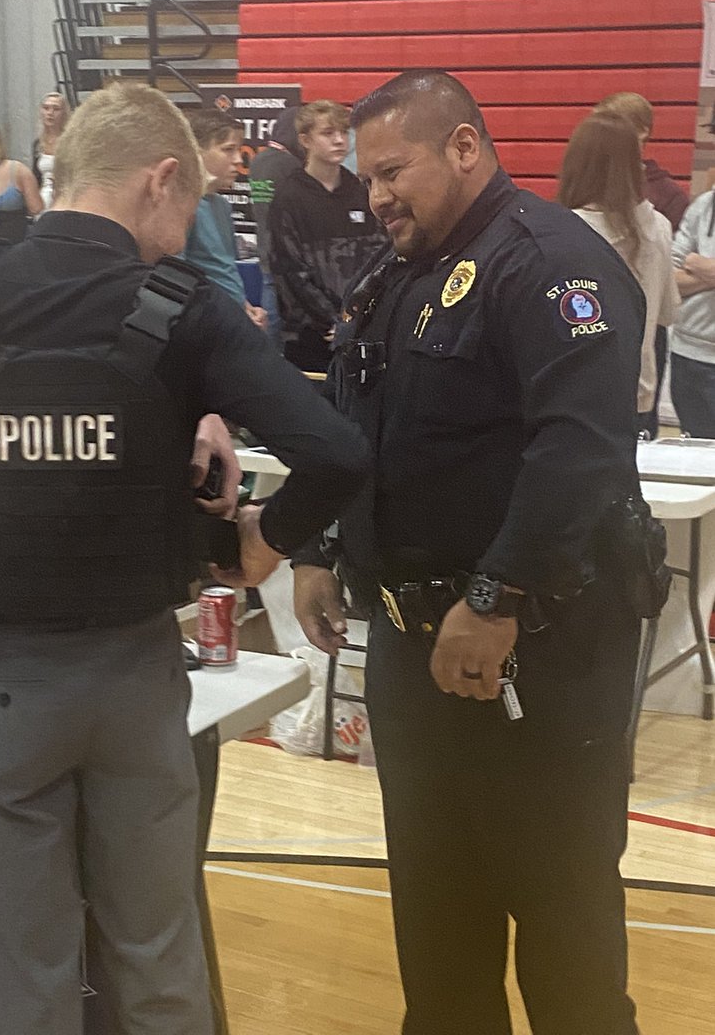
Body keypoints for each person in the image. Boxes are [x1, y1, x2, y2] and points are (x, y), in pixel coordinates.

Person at [0, 82, 371, 1035]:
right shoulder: (185, 311)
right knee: (158, 965)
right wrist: (258, 548)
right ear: (161, 179)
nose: (186, 228)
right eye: (192, 200)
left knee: (23, 985)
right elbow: (337, 452)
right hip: (133, 675)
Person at [293, 70, 646, 1034]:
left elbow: (581, 449)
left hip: (540, 653)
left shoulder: (550, 264)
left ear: (464, 147)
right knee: (439, 932)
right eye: (365, 180)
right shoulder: (396, 274)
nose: (376, 199)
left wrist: (496, 598)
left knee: (565, 931)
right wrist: (322, 545)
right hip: (415, 653)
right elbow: (354, 419)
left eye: (393, 172)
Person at [559, 111, 679, 437]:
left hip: (573, 394)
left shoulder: (562, 230)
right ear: (634, 165)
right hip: (638, 389)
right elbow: (668, 312)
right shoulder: (659, 229)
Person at [269, 100, 386, 372]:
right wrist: (333, 321)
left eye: (344, 133)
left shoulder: (360, 190)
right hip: (312, 335)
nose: (339, 140)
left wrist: (359, 317)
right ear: (305, 140)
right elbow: (290, 272)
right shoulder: (288, 197)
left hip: (361, 329)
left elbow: (381, 258)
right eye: (328, 133)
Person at [184, 109, 268, 330]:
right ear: (196, 151)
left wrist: (245, 306)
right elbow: (180, 281)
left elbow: (224, 270)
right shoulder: (182, 207)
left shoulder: (221, 205)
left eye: (239, 150)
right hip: (205, 328)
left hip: (229, 322)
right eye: (228, 150)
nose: (239, 160)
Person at [593, 91, 690, 231]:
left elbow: (673, 249)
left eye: (613, 127)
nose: (602, 136)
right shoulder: (587, 182)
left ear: (641, 132)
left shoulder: (669, 195)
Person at [248, 106, 302, 340]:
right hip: (286, 253)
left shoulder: (258, 160)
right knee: (280, 322)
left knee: (269, 308)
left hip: (265, 246)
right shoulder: (290, 166)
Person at [670, 185, 715, 435]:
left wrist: (697, 263)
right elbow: (670, 278)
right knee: (696, 454)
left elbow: (686, 264)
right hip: (688, 354)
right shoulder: (704, 205)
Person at [32, 91, 72, 209]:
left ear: (64, 113)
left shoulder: (71, 142)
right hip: (43, 197)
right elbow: (35, 177)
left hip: (65, 197)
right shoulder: (38, 143)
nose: (50, 113)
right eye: (46, 108)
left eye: (56, 109)